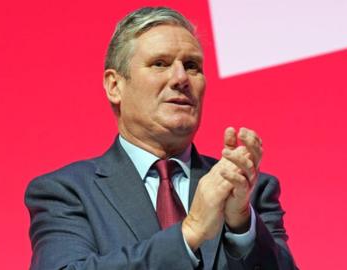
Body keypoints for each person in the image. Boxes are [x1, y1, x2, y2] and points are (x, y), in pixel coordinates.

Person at [25, 6, 298, 270]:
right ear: (114, 85)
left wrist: (242, 228)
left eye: (192, 66)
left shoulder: (250, 191)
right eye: (160, 64)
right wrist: (188, 233)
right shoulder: (67, 192)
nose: (181, 78)